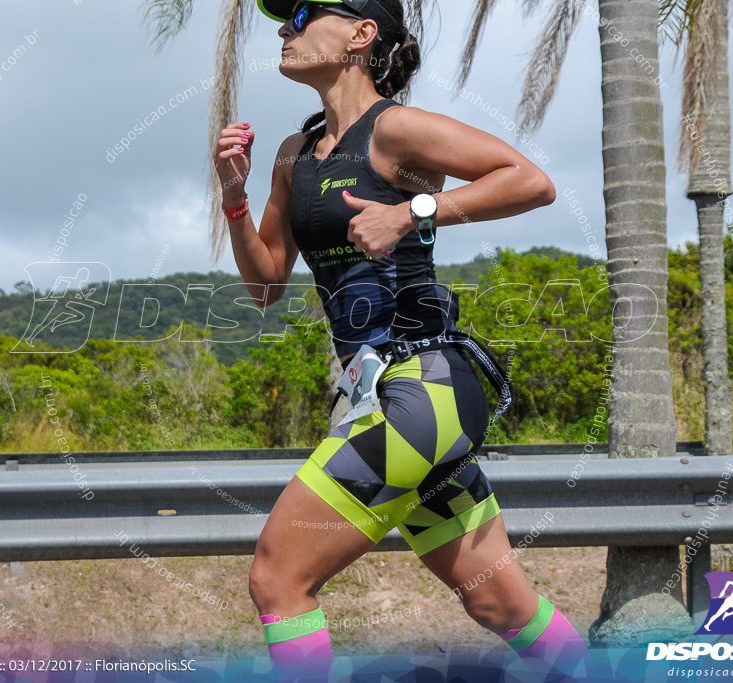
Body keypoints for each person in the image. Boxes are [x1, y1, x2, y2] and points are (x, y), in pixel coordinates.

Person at [214, 1, 589, 678]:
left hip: (421, 391)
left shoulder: (395, 130)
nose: (284, 29)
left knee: (278, 578)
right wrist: (235, 200)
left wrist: (411, 211)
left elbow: (530, 182)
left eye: (302, 13)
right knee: (502, 605)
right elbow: (268, 282)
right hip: (401, 405)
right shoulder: (292, 156)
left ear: (361, 35)